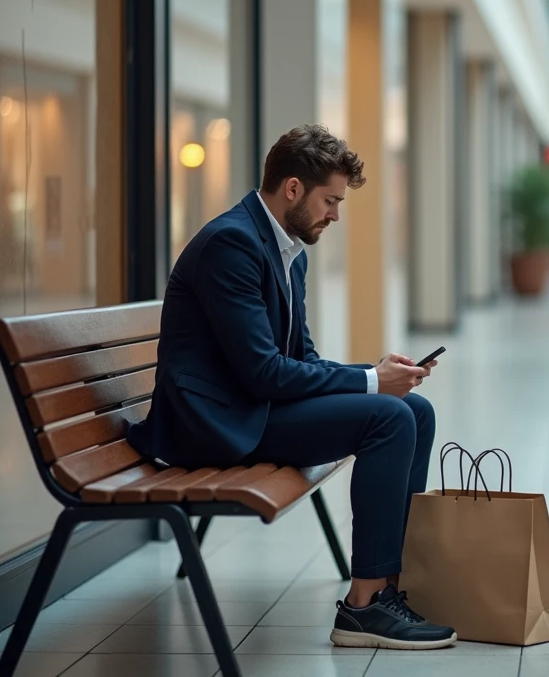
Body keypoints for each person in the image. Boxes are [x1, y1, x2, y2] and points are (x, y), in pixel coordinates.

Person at [127, 124, 457, 651]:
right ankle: (364, 606)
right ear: (293, 188)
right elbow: (264, 372)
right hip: (215, 424)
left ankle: (392, 583)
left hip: (250, 407)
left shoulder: (289, 253)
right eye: (330, 201)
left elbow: (300, 360)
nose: (335, 215)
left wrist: (377, 374)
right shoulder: (232, 243)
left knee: (414, 410)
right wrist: (372, 382)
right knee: (390, 416)